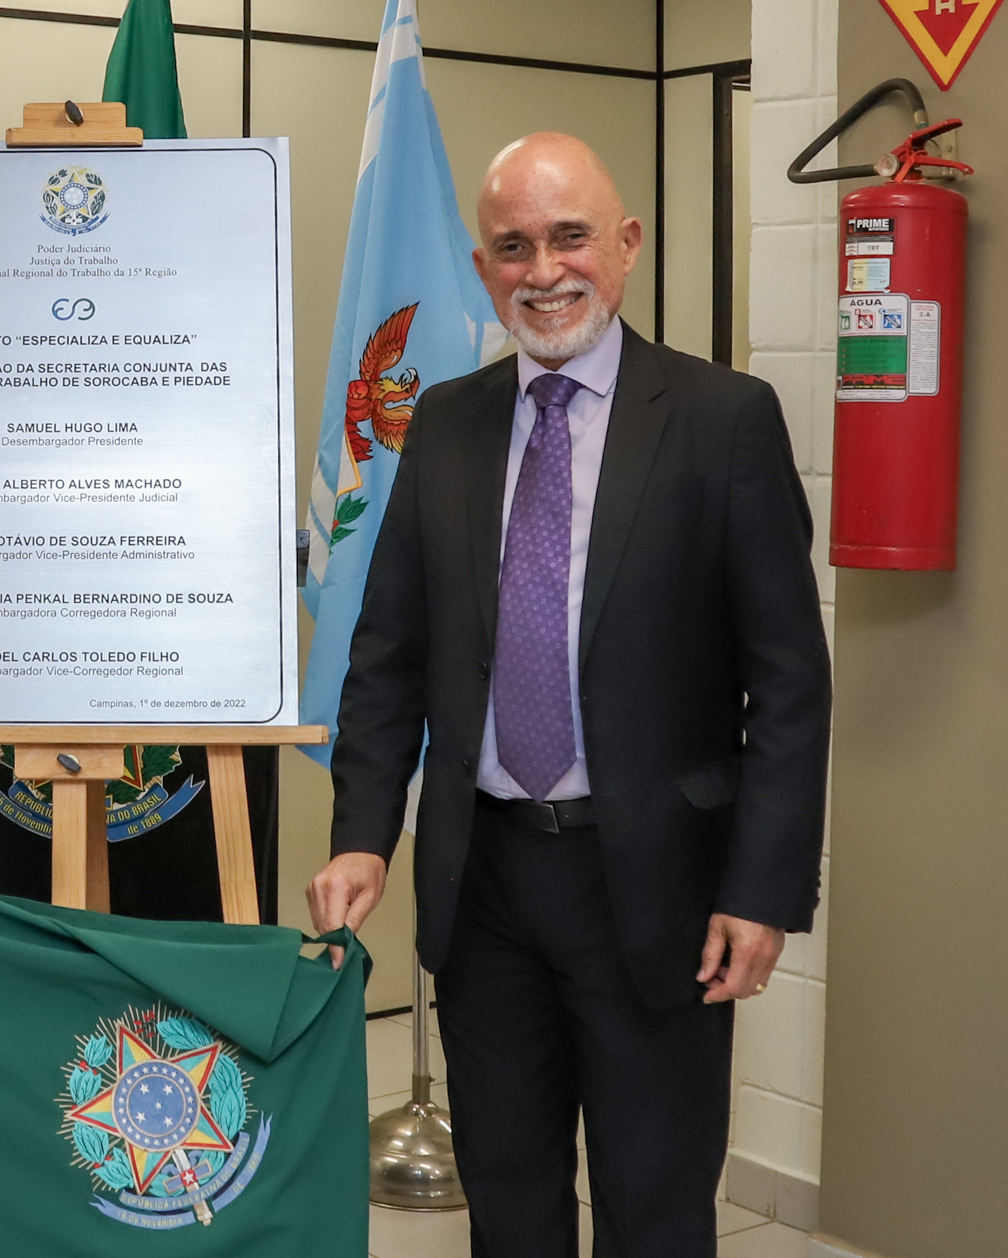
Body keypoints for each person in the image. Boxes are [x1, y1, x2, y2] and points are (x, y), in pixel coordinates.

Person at [308, 133, 831, 1255]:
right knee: (508, 1197)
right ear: (485, 264)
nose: (543, 269)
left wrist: (764, 889)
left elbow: (787, 683)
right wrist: (362, 837)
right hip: (484, 881)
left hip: (658, 887)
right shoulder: (444, 422)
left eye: (569, 236)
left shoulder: (720, 420)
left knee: (653, 1204)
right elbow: (389, 654)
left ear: (626, 245)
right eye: (512, 247)